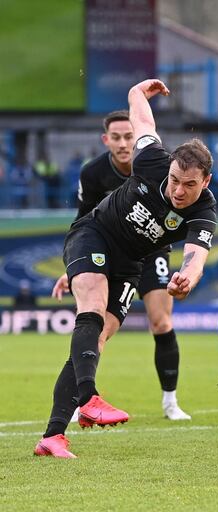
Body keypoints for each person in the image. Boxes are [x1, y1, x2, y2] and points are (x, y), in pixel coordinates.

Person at [34, 79, 217, 459]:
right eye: (175, 181)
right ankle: (90, 399)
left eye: (189, 185)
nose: (179, 191)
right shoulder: (152, 159)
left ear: (206, 181)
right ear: (169, 169)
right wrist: (138, 90)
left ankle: (52, 438)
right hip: (94, 234)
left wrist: (187, 278)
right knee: (93, 309)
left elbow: (197, 254)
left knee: (93, 343)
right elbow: (142, 119)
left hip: (131, 265)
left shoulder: (204, 210)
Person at [52, 110, 191, 421]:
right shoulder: (93, 174)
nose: (124, 143)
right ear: (106, 140)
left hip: (151, 248)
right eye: (116, 137)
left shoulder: (156, 165)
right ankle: (80, 399)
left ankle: (170, 401)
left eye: (129, 136)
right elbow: (84, 220)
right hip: (107, 245)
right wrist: (73, 267)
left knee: (160, 321)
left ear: (136, 137)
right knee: (95, 325)